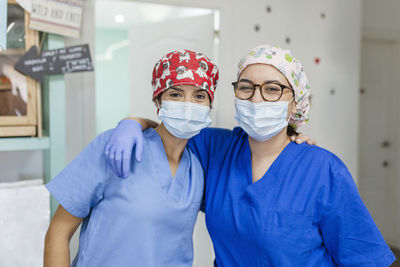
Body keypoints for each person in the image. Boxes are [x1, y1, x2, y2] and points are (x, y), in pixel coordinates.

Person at [105, 45, 396, 266]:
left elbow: (363, 258)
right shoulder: (213, 148)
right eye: (246, 88)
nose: (256, 99)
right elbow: (172, 130)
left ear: (295, 104)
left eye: (272, 89)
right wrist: (133, 122)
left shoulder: (323, 170)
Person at [44, 49, 220, 267]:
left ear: (210, 105)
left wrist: (137, 120)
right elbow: (58, 232)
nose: (188, 104)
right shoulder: (117, 146)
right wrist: (134, 123)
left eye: (199, 96)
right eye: (175, 94)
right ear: (158, 100)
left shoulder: (198, 166)